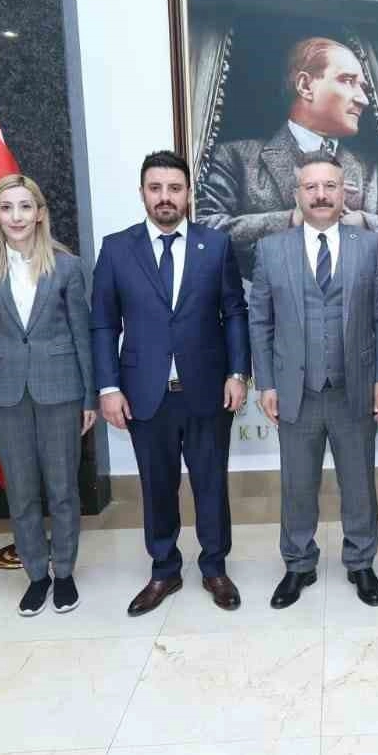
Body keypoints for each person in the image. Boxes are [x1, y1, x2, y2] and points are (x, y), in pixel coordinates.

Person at [91, 151, 251, 615]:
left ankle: (215, 567)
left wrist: (238, 373)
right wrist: (108, 387)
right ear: (142, 192)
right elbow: (103, 323)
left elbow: (234, 312)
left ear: (188, 194)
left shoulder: (215, 245)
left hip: (207, 391)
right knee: (156, 486)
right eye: (156, 188)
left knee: (210, 485)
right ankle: (164, 570)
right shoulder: (116, 249)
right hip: (145, 394)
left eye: (175, 188)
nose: (165, 197)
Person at [248, 151, 378, 608]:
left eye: (329, 186)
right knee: (297, 484)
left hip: (355, 387)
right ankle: (298, 564)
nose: (320, 195)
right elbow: (260, 321)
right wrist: (266, 383)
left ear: (343, 192)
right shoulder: (270, 249)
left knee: (359, 482)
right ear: (297, 194)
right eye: (310, 187)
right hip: (297, 391)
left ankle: (361, 562)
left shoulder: (369, 246)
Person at [0, 174, 96, 617]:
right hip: (2, 395)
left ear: (40, 213)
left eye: (25, 206)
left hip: (60, 389)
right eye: (6, 208)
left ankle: (64, 572)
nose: (16, 216)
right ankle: (36, 575)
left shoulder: (68, 266)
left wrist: (89, 397)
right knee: (21, 493)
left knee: (62, 489)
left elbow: (82, 334)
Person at [195, 36, 378, 272]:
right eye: (348, 81)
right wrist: (293, 220)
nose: (364, 100)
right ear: (305, 86)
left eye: (363, 87)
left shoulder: (375, 168)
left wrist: (362, 223)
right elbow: (204, 229)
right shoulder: (234, 158)